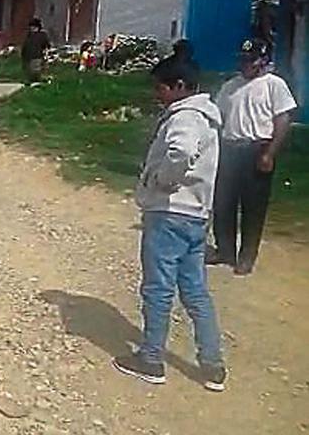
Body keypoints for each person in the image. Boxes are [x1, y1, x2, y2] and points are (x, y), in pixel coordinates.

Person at [113, 57, 227, 392]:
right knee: (195, 290)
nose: (157, 94)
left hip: (169, 212)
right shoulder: (207, 116)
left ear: (179, 86)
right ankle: (212, 364)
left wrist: (162, 181)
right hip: (195, 215)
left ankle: (150, 359)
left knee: (158, 288)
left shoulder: (186, 117)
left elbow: (180, 152)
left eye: (161, 87)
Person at [209, 38, 297, 275]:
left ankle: (247, 256)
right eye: (243, 60)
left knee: (253, 206)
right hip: (230, 148)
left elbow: (282, 120)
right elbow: (217, 118)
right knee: (223, 202)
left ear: (263, 60)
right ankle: (224, 249)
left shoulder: (273, 85)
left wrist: (270, 153)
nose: (245, 64)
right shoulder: (230, 87)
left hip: (257, 149)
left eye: (251, 60)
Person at [21, 18, 51, 84]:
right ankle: (34, 79)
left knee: (36, 70)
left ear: (37, 27)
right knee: (30, 70)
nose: (31, 29)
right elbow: (25, 46)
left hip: (37, 56)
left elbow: (47, 45)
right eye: (31, 27)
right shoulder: (29, 36)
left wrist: (46, 52)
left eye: (33, 27)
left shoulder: (41, 35)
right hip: (29, 56)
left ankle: (39, 79)